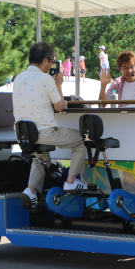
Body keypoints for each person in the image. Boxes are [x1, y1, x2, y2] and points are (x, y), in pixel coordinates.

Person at [13, 42, 87, 204]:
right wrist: (58, 84)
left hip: (23, 134)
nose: (52, 64)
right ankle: (71, 181)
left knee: (40, 158)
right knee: (81, 141)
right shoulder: (45, 79)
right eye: (52, 61)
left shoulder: (18, 78)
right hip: (44, 133)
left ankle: (31, 190)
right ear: (45, 61)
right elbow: (60, 107)